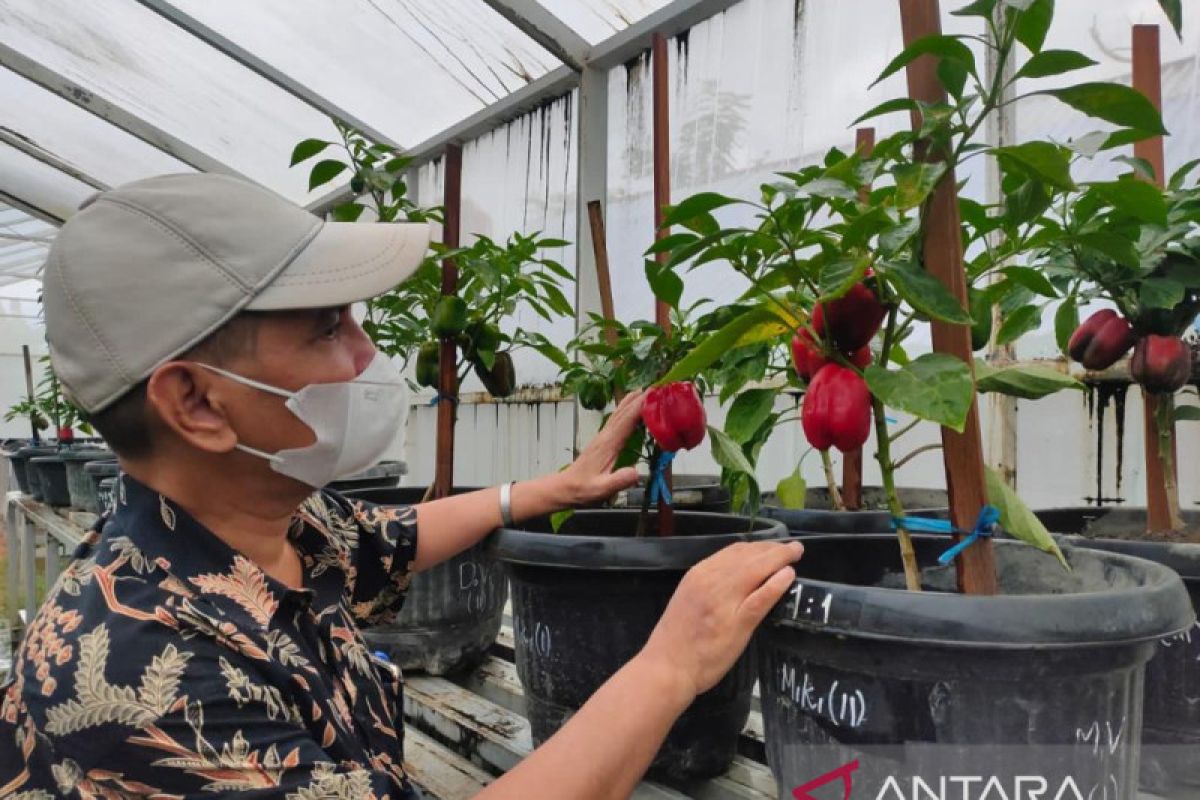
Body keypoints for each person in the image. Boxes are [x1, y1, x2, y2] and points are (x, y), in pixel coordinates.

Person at [0, 174, 801, 799]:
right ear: (196, 402)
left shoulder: (253, 530)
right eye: (326, 328)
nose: (364, 353)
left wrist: (550, 488)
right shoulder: (147, 677)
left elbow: (396, 539)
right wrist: (670, 666)